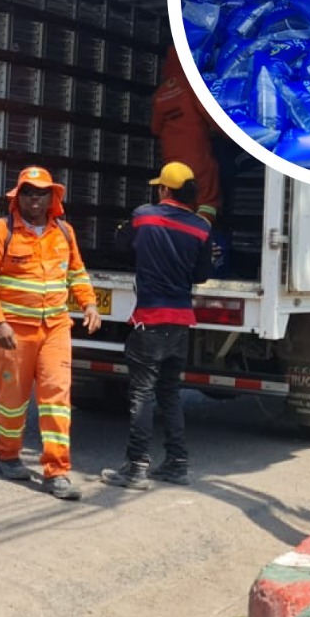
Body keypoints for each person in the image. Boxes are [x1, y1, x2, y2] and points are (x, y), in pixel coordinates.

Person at [0, 166, 102, 500]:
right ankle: (7, 455)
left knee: (56, 398)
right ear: (18, 197)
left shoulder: (64, 232)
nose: (34, 198)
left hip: (56, 327)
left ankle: (57, 472)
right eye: (28, 192)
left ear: (52, 197)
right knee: (12, 400)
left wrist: (89, 304)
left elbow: (76, 272)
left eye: (41, 192)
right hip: (13, 331)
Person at [100, 161, 214, 491]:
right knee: (170, 394)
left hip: (150, 321)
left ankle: (136, 468)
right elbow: (201, 275)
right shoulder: (201, 228)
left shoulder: (144, 216)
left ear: (165, 190)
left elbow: (121, 249)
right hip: (180, 324)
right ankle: (177, 463)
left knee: (141, 396)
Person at [152, 46, 222, 225]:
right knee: (207, 201)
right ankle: (202, 235)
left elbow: (155, 128)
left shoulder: (160, 94)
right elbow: (213, 118)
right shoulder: (193, 86)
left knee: (178, 202)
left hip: (172, 161)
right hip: (197, 155)